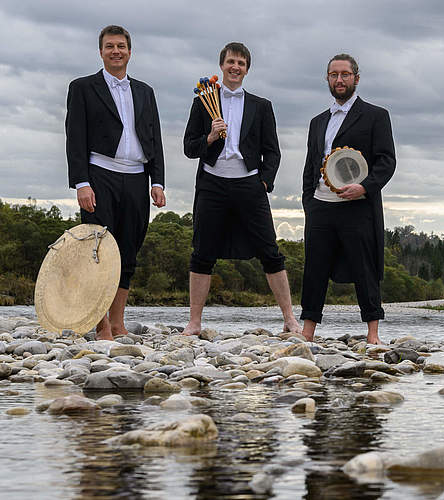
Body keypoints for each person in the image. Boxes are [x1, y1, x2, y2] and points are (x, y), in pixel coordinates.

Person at [182, 42, 301, 336]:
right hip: (212, 183)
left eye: (241, 63)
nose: (235, 67)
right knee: (202, 252)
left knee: (270, 251)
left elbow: (272, 151)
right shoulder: (203, 102)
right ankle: (194, 322)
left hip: (249, 184)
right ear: (222, 65)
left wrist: (264, 181)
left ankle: (289, 319)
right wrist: (209, 137)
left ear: (247, 69)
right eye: (231, 62)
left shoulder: (262, 106)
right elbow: (188, 147)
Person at [65, 25, 165, 341]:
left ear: (130, 52)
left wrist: (158, 182)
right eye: (110, 46)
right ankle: (101, 324)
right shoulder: (82, 88)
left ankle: (118, 321)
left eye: (121, 46)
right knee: (97, 252)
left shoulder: (145, 92)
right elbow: (75, 138)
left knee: (128, 252)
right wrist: (81, 182)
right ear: (101, 52)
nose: (116, 51)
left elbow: (155, 138)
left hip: (137, 177)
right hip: (99, 175)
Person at [299, 53, 395, 344]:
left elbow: (386, 161)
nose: (339, 80)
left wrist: (364, 188)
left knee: (365, 268)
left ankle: (373, 333)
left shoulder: (376, 116)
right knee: (314, 268)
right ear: (327, 79)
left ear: (356, 78)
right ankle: (307, 331)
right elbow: (310, 164)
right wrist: (308, 202)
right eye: (333, 75)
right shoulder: (318, 121)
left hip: (357, 205)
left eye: (344, 74)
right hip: (321, 205)